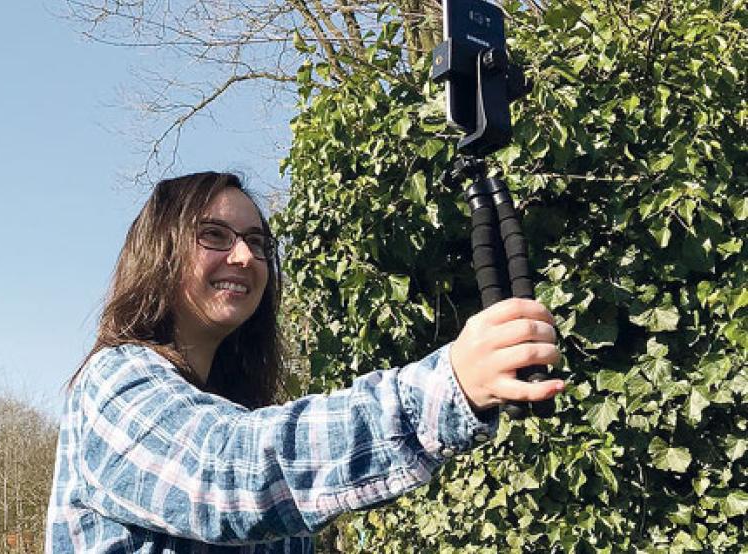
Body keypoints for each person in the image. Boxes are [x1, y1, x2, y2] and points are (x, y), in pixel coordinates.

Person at [45, 172, 563, 553]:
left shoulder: (242, 408)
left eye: (257, 242)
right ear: (159, 253)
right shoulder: (114, 384)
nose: (245, 257)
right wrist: (445, 386)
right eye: (215, 235)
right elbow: (230, 472)